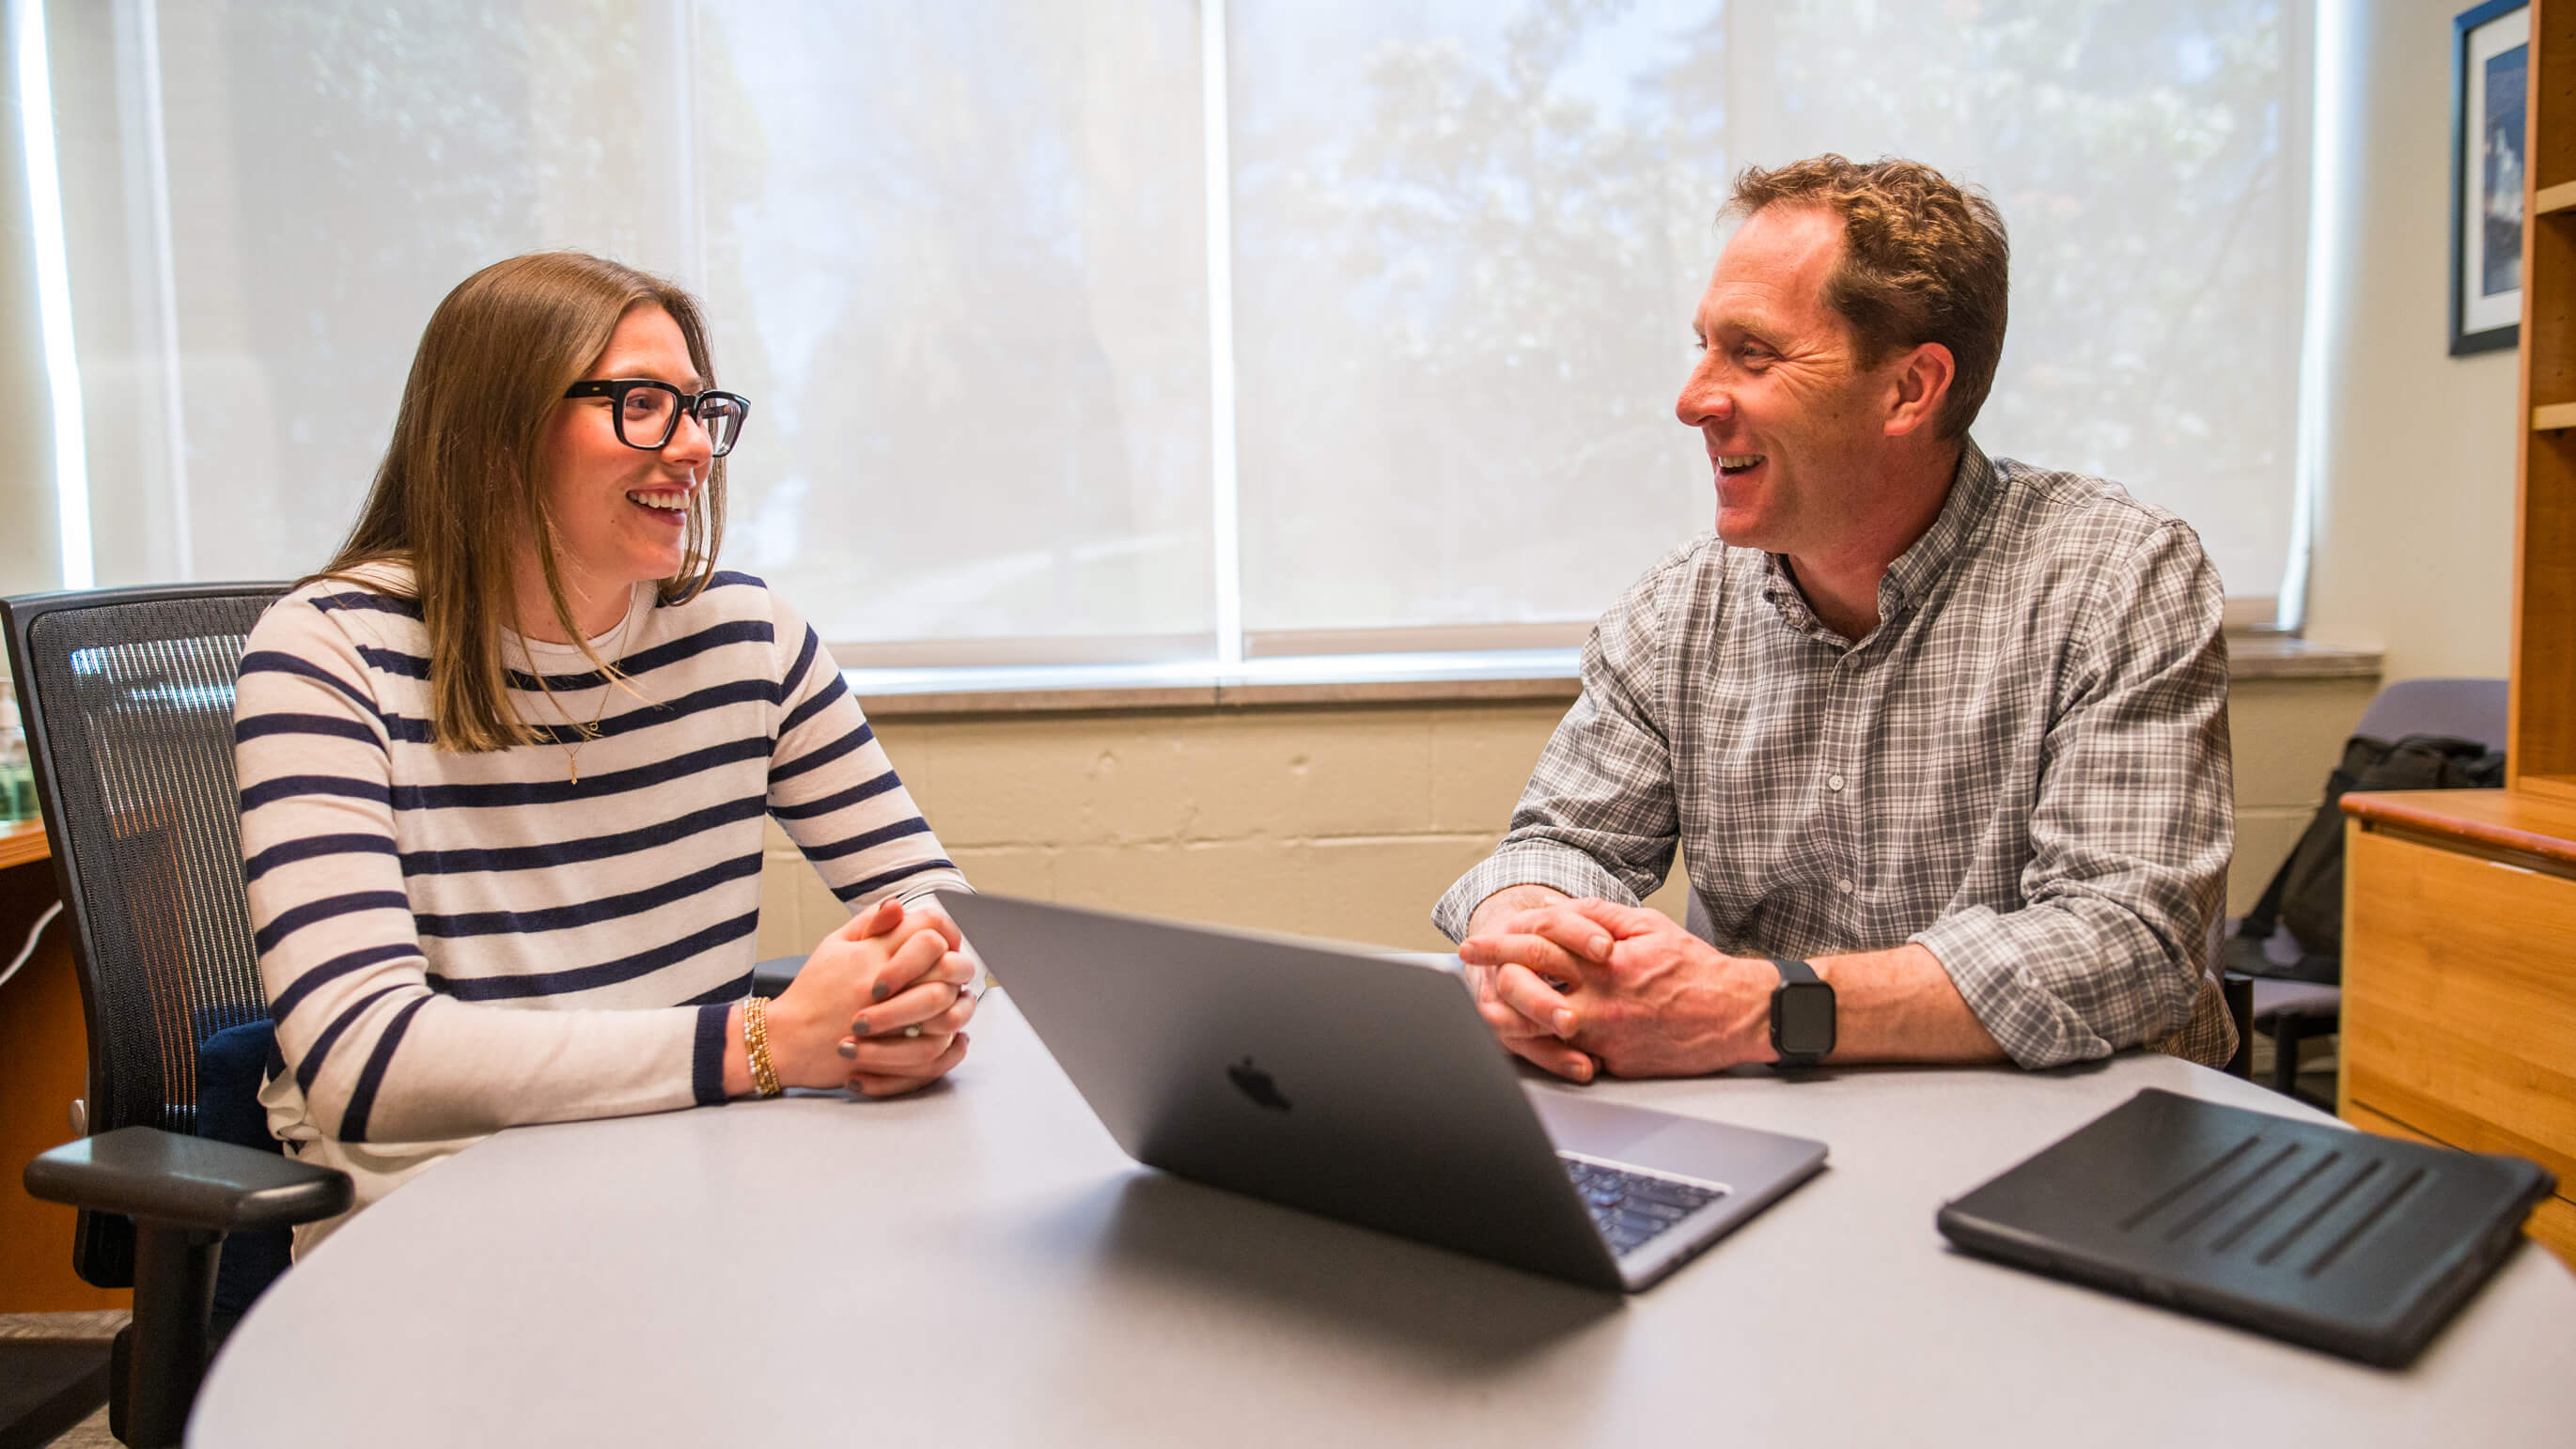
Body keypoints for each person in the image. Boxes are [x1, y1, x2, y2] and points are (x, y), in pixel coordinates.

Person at [1434, 155, 2235, 1082]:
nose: (1691, 398)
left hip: (2082, 1140)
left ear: (1907, 390)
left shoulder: (2117, 580)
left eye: (1751, 353)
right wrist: (1522, 937)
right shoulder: (1674, 613)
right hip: (1790, 1120)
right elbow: (1559, 845)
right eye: (1701, 345)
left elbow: (2127, 943)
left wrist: (1755, 1008)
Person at [236, 252, 977, 1249]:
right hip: (441, 1207)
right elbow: (365, 1059)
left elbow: (932, 899)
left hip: (686, 1168)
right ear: (495, 431)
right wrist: (764, 1043)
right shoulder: (330, 651)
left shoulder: (744, 635)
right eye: (640, 404)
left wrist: (911, 991)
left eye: (696, 410)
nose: (691, 451)